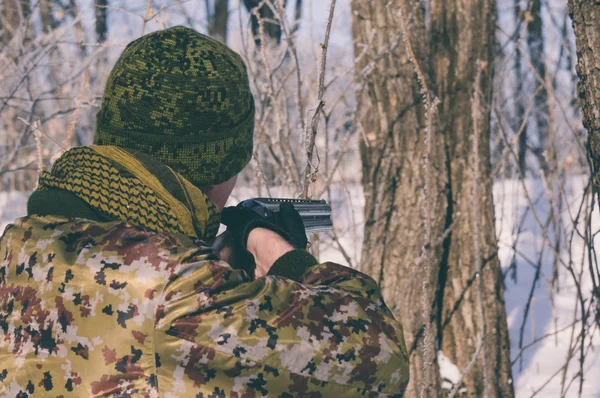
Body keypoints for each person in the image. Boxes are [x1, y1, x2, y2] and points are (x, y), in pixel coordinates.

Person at [0, 26, 409, 397]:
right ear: (217, 167)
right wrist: (284, 258)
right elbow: (379, 360)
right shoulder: (173, 290)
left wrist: (213, 267)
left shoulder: (17, 246)